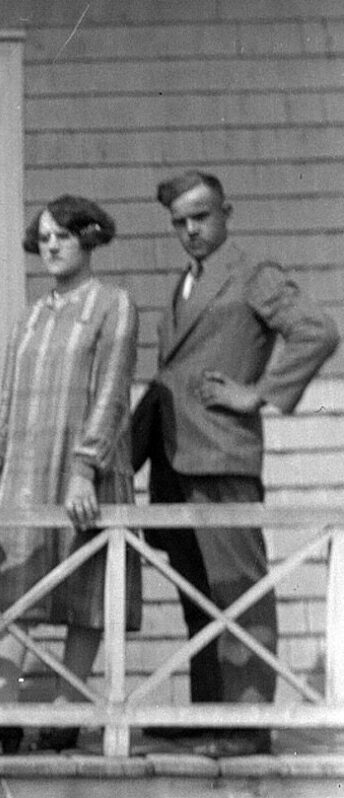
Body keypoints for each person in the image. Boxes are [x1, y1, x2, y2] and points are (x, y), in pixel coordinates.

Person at [132, 170, 338, 754]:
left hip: (222, 455)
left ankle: (247, 723)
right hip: (174, 459)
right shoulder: (184, 284)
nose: (191, 230)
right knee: (199, 593)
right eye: (180, 222)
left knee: (237, 590)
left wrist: (259, 393)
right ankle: (209, 712)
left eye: (201, 216)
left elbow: (317, 331)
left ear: (227, 212)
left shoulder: (253, 274)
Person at [0, 195, 143, 753]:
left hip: (83, 468)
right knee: (12, 590)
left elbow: (112, 392)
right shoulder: (31, 315)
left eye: (63, 236)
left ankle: (66, 710)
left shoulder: (112, 305)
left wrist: (85, 468)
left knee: (85, 590)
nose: (51, 245)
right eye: (44, 237)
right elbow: (8, 394)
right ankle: (1, 710)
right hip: (27, 469)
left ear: (90, 239)